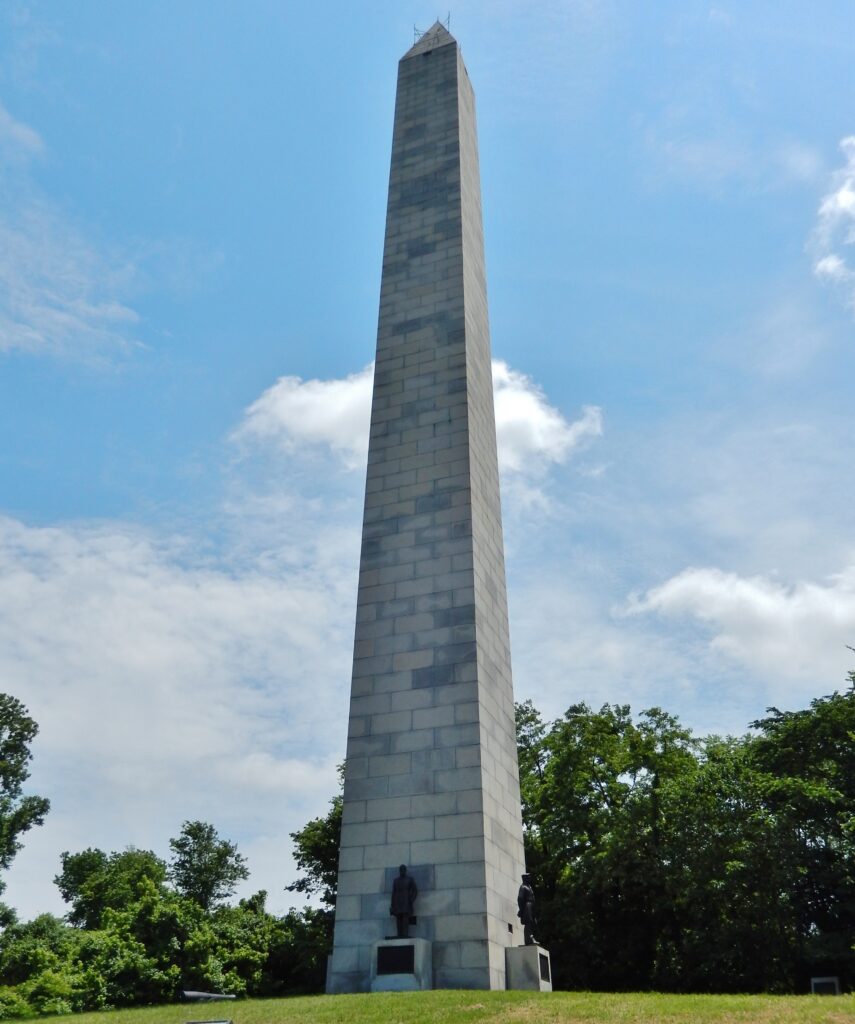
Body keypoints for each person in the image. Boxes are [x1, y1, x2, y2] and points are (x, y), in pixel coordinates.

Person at [390, 864, 418, 938]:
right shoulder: (396, 881)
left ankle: (405, 935)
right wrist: (392, 905)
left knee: (405, 918)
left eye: (403, 870)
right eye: (400, 870)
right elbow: (393, 893)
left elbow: (415, 890)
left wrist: (411, 900)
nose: (402, 871)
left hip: (406, 901)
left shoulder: (410, 879)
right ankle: (399, 935)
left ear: (405, 871)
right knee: (398, 918)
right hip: (397, 902)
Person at [517, 873, 536, 946]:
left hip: (531, 906)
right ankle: (529, 939)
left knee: (531, 922)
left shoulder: (529, 886)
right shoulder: (523, 887)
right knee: (528, 922)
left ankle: (531, 937)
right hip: (527, 906)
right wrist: (521, 910)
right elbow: (520, 899)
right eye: (528, 877)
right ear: (525, 878)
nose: (530, 878)